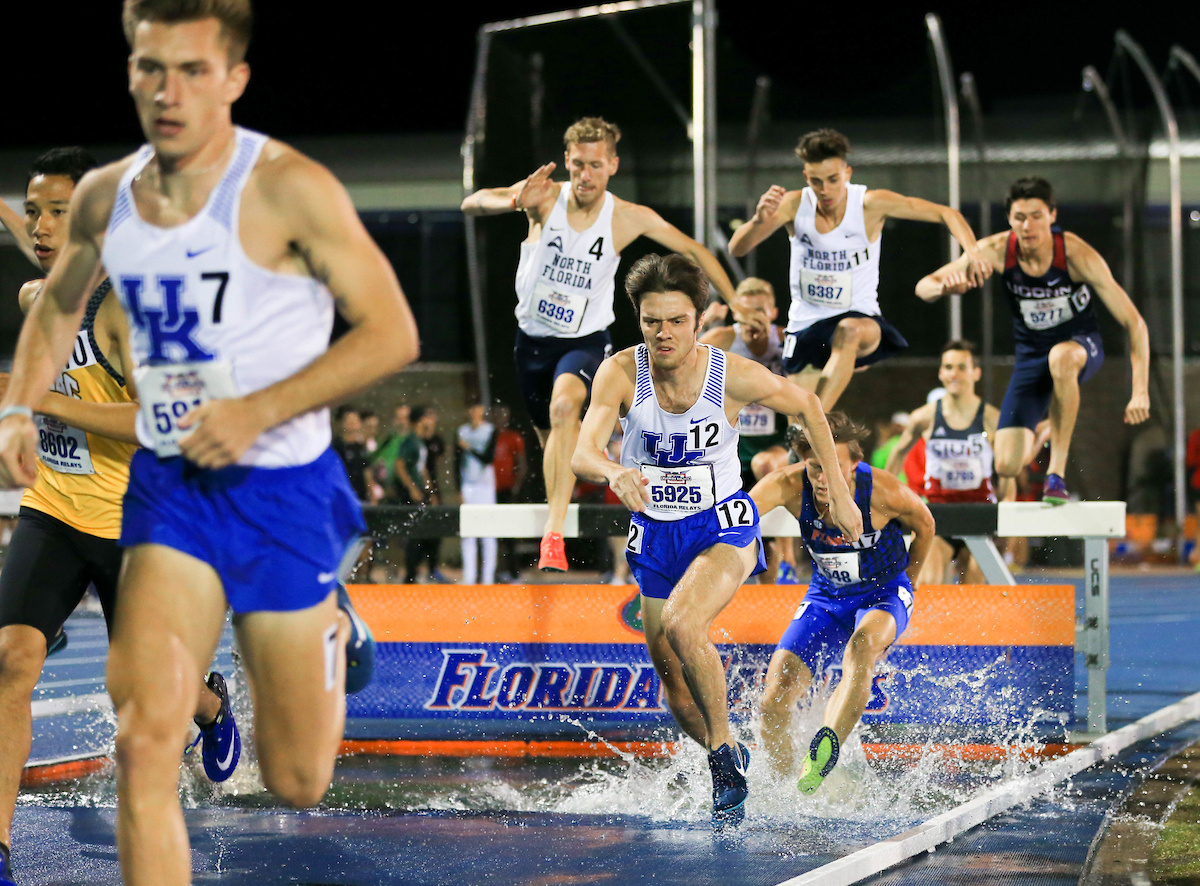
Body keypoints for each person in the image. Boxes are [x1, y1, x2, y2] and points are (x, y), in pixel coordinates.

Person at [0, 3, 419, 884]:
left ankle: (332, 625)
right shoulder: (107, 196)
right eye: (151, 68)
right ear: (130, 74)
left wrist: (259, 409)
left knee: (299, 778)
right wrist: (17, 408)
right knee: (145, 736)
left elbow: (391, 334)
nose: (168, 91)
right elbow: (52, 305)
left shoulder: (289, 187)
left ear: (233, 80)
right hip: (166, 490)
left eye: (192, 70)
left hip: (280, 488)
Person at [0, 147, 242, 886]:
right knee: (9, 661)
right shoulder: (40, 295)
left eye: (59, 212)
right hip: (55, 510)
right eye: (35, 211)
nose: (42, 227)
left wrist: (41, 398)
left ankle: (207, 703)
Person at [571, 253, 862, 827]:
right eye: (652, 321)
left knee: (684, 624)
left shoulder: (728, 375)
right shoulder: (621, 374)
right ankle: (726, 749)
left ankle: (724, 759)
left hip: (721, 526)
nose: (664, 333)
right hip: (655, 536)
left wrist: (844, 497)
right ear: (639, 320)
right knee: (669, 672)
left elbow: (807, 404)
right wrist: (613, 472)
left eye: (676, 321)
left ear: (698, 320)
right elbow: (582, 452)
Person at [462, 117, 740, 573]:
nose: (585, 175)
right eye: (577, 165)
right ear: (566, 163)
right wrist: (514, 200)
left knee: (564, 407)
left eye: (595, 165)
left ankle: (554, 533)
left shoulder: (627, 216)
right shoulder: (544, 197)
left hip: (587, 341)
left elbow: (693, 249)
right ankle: (556, 514)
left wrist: (736, 300)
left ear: (612, 165)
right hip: (531, 344)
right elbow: (472, 202)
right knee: (553, 439)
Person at [916, 176, 1150, 503]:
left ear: (1052, 216)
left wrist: (1140, 391)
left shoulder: (1076, 255)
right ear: (1010, 220)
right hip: (1031, 357)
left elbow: (1134, 322)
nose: (1028, 226)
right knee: (1008, 465)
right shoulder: (996, 251)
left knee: (1061, 359)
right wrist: (945, 287)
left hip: (1080, 345)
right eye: (1019, 218)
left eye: (1037, 216)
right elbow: (923, 286)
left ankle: (1056, 473)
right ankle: (1046, 425)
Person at [728, 128, 992, 411]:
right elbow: (738, 249)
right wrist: (757, 221)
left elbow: (946, 213)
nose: (825, 190)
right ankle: (809, 432)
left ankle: (816, 418)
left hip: (861, 321)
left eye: (833, 180)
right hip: (806, 324)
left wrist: (973, 251)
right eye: (817, 181)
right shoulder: (794, 205)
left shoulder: (869, 204)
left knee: (848, 331)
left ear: (847, 173)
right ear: (806, 177)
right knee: (799, 424)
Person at [753, 412, 934, 795]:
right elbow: (737, 516)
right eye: (816, 468)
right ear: (804, 461)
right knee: (773, 700)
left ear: (854, 463)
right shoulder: (787, 484)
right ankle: (788, 787)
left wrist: (910, 584)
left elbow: (927, 525)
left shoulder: (882, 489)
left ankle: (825, 748)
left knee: (863, 647)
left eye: (834, 469)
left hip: (882, 592)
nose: (824, 479)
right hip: (826, 595)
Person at [700, 277, 798, 582]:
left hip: (777, 444)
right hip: (731, 447)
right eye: (747, 311)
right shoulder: (723, 339)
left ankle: (790, 561)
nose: (753, 318)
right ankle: (764, 592)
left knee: (766, 464)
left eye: (761, 311)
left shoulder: (786, 340)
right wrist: (703, 323)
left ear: (773, 313)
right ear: (736, 312)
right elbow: (679, 359)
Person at [885, 341, 1002, 584]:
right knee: (926, 584)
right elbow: (897, 455)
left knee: (975, 592)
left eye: (961, 367)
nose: (953, 374)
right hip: (938, 513)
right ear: (940, 372)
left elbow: (1008, 472)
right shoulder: (924, 417)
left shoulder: (991, 418)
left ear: (976, 372)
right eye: (948, 367)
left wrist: (1007, 506)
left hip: (980, 513)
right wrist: (887, 498)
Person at [457, 399, 497, 585]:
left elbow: (488, 458)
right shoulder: (462, 431)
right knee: (468, 531)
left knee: (488, 531)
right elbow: (456, 461)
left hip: (485, 485)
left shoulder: (490, 430)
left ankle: (488, 577)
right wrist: (459, 488)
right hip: (468, 484)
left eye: (478, 408)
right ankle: (469, 577)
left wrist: (469, 448)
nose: (475, 411)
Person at [490, 404, 527, 581]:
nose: (500, 418)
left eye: (503, 415)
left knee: (509, 533)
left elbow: (521, 463)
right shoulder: (489, 436)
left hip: (506, 489)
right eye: (497, 415)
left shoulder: (513, 437)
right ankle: (496, 571)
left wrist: (516, 486)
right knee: (493, 533)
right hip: (489, 490)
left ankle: (513, 571)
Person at [332, 405, 371, 503]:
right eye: (349, 421)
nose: (353, 424)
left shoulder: (360, 445)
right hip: (344, 493)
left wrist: (371, 489)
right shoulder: (337, 446)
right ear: (341, 423)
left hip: (361, 494)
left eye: (355, 420)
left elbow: (366, 469)